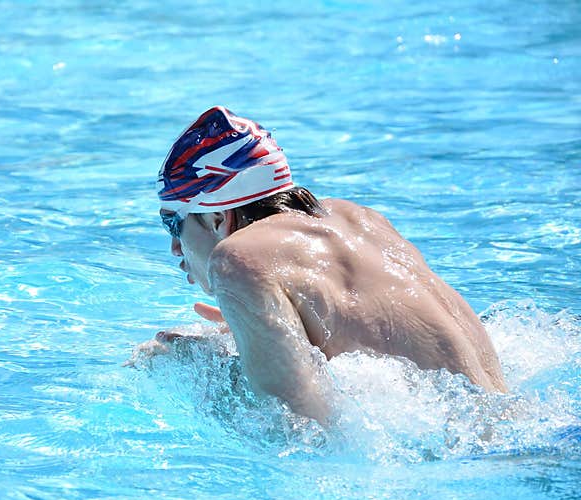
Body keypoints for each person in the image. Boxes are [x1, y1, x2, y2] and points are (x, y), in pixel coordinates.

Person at [137, 106, 507, 425]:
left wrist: (196, 367)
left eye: (173, 223)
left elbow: (292, 430)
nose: (174, 247)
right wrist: (255, 336)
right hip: (514, 425)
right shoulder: (359, 219)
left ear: (218, 218)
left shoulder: (236, 258)